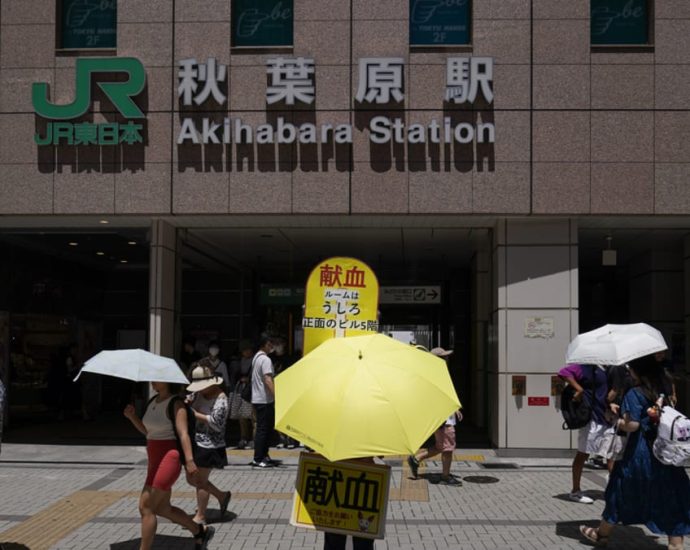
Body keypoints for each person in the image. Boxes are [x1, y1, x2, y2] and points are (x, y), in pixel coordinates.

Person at [579, 356, 690, 550]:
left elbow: (632, 425)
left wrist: (617, 418)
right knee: (671, 496)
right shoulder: (663, 389)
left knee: (620, 492)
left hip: (640, 453)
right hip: (666, 452)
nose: (629, 371)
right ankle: (676, 544)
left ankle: (601, 534)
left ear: (639, 371)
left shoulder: (634, 393)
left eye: (631, 368)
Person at [123, 382, 214, 550]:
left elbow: (183, 433)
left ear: (167, 381)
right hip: (154, 459)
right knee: (163, 508)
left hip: (169, 458)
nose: (153, 380)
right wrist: (132, 417)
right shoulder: (153, 401)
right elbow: (148, 432)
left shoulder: (176, 403)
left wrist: (189, 460)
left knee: (146, 506)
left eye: (158, 377)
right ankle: (199, 531)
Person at [407, 346, 463, 486]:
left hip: (443, 417)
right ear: (437, 359)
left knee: (440, 447)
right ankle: (445, 476)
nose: (447, 358)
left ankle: (416, 459)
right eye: (444, 357)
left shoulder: (436, 373)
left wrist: (455, 408)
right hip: (443, 419)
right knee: (448, 449)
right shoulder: (436, 374)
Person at [558, 363, 613, 504]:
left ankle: (613, 491)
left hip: (605, 418)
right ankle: (575, 491)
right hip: (592, 419)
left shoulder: (607, 368)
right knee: (583, 453)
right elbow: (564, 372)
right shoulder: (587, 367)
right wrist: (579, 389)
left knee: (611, 455)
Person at [186, 364, 232, 526]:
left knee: (200, 481)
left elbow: (216, 423)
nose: (201, 390)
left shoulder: (222, 399)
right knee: (191, 479)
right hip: (196, 442)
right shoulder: (197, 395)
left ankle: (200, 516)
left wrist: (194, 414)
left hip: (211, 445)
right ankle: (221, 496)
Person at [250, 335, 277, 468]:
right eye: (270, 343)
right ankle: (259, 458)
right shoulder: (265, 359)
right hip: (264, 399)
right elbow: (267, 379)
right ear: (264, 344)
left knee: (264, 428)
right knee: (263, 429)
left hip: (257, 398)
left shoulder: (256, 358)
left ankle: (264, 455)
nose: (272, 346)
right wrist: (276, 396)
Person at [229, 340, 255, 449]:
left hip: (252, 391)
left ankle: (254, 440)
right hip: (241, 390)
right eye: (244, 351)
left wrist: (249, 379)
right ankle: (244, 438)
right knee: (242, 416)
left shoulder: (255, 361)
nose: (246, 352)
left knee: (253, 417)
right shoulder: (240, 361)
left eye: (247, 350)